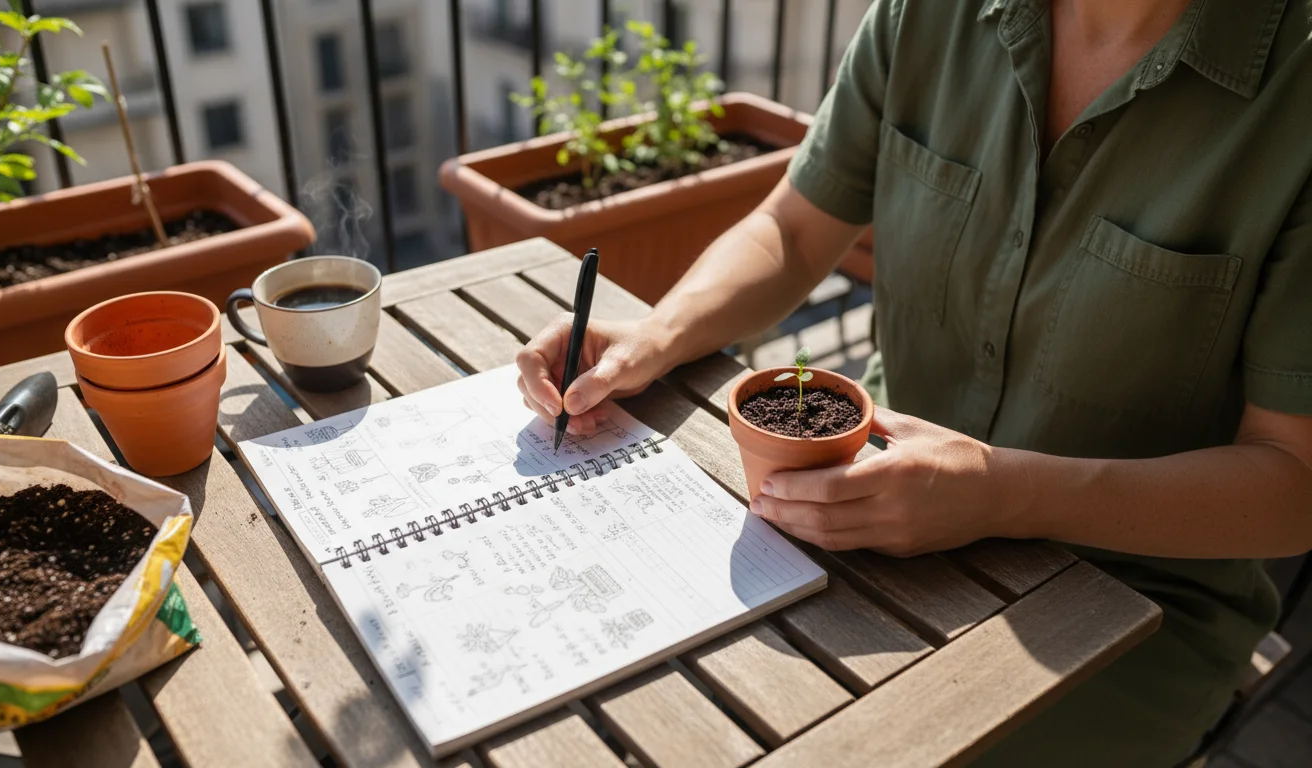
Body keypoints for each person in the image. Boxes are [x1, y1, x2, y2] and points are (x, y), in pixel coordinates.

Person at [515, 0, 1312, 764]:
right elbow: (794, 229)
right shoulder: (928, 13)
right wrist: (656, 336)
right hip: (859, 509)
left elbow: (1293, 482)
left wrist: (1003, 492)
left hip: (1129, 604)